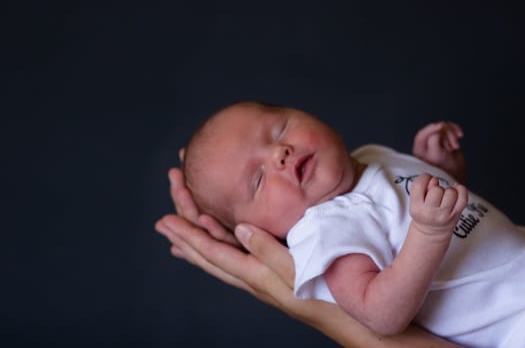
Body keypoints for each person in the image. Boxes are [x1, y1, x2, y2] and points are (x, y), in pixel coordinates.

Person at [156, 101, 525, 347]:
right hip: (512, 324)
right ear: (264, 232)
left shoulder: (370, 156)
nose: (278, 153)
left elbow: (415, 217)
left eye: (279, 129)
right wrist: (428, 233)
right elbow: (380, 314)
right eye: (257, 180)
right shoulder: (326, 232)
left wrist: (438, 169)